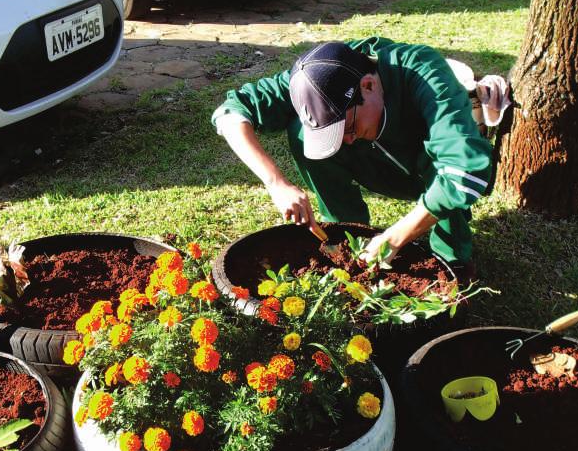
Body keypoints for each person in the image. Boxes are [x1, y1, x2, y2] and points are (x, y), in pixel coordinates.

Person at [211, 37, 493, 276]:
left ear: (368, 86)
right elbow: (230, 112)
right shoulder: (313, 78)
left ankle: (450, 253)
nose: (344, 141)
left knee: (446, 175)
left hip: (428, 170)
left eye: (348, 128)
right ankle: (347, 237)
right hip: (377, 164)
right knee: (301, 130)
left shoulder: (424, 73)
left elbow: (465, 171)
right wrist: (276, 183)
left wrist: (395, 237)